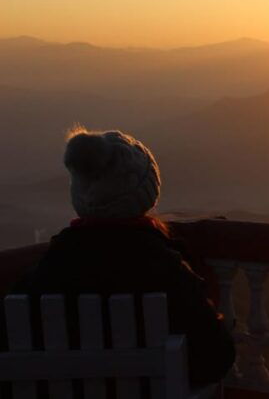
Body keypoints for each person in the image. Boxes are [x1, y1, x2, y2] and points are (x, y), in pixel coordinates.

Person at [1, 128, 235, 394]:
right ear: (146, 196)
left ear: (79, 195)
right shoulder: (165, 269)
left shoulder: (48, 271)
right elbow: (216, 359)